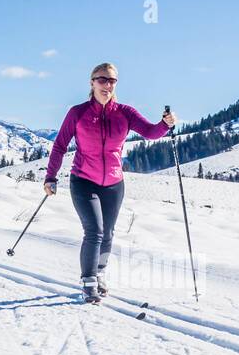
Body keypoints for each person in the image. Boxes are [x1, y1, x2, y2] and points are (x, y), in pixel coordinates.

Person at [43, 63, 177, 302]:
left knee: (108, 233)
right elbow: (60, 146)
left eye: (112, 81)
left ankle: (100, 273)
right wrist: (50, 177)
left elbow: (150, 132)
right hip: (84, 180)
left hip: (114, 183)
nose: (107, 85)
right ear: (91, 82)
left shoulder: (125, 113)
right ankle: (88, 280)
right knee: (94, 230)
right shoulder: (78, 112)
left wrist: (166, 125)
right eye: (102, 80)